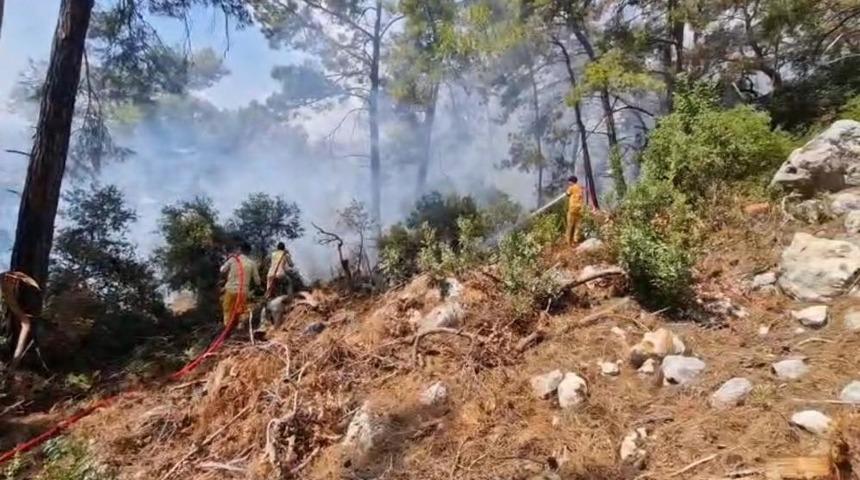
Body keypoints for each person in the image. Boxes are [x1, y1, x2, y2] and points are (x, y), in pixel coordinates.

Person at [219, 242, 261, 326]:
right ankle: (238, 328)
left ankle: (227, 328)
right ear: (249, 252)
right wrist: (258, 286)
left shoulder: (233, 259)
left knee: (227, 310)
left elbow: (222, 270)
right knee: (240, 311)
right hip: (243, 291)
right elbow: (257, 281)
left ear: (240, 250)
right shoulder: (252, 263)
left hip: (231, 289)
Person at [565, 175, 584, 245]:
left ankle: (568, 240)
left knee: (570, 225)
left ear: (571, 182)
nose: (568, 183)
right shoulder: (580, 187)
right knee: (578, 225)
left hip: (572, 209)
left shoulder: (571, 187)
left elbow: (567, 194)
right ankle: (576, 239)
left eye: (569, 182)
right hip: (579, 209)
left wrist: (567, 192)